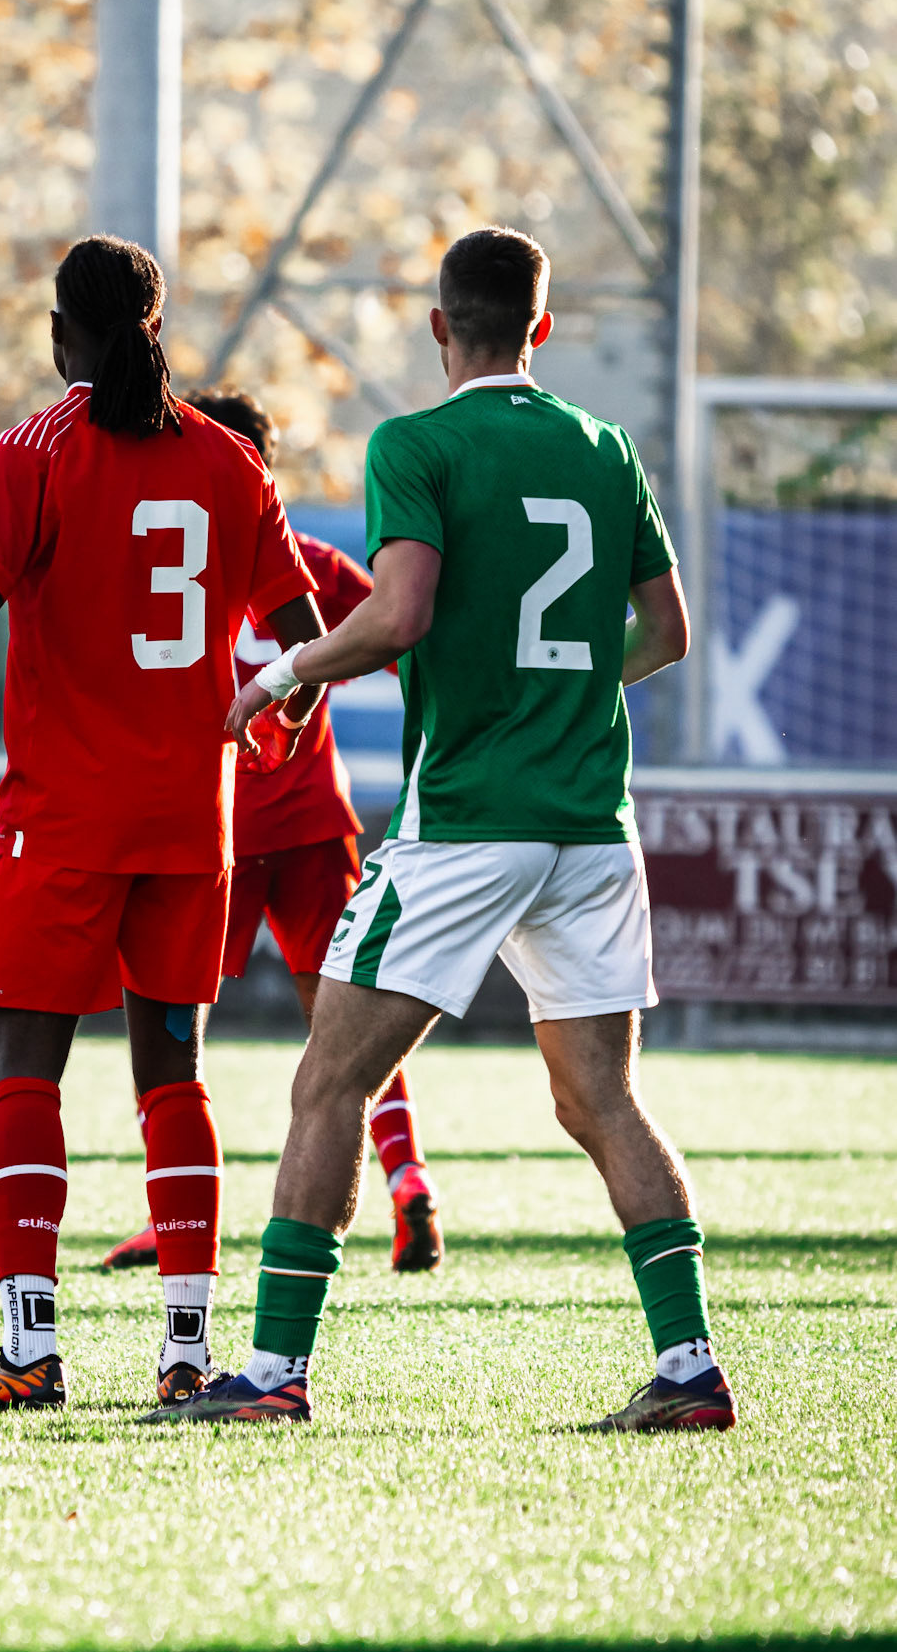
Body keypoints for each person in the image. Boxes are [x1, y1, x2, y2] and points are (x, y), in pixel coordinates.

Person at [146, 224, 735, 1434]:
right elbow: (668, 633)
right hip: (587, 823)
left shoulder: (415, 441)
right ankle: (688, 1368)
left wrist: (284, 672)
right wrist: (562, 692)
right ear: (543, 326)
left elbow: (398, 613)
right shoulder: (606, 446)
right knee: (602, 1101)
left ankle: (270, 1372)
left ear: (437, 327)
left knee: (329, 1079)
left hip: (467, 822)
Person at [0, 234, 322, 1413]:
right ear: (155, 325)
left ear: (62, 332)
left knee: (26, 1066)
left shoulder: (27, 453)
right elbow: (303, 640)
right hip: (187, 822)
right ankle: (183, 1353)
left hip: (62, 821)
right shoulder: (230, 463)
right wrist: (270, 715)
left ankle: (30, 1347)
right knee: (175, 1072)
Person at [102, 386, 442, 1278]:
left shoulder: (179, 554)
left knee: (176, 1024)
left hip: (208, 825)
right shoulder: (318, 564)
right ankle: (408, 1184)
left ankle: (169, 1215)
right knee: (342, 1022)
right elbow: (401, 638)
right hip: (308, 823)